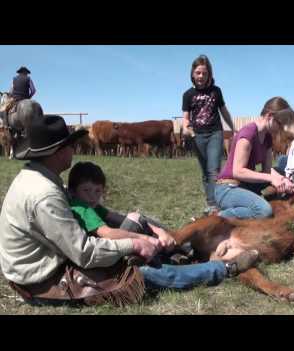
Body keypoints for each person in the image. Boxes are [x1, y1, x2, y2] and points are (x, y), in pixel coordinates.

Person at [0, 101, 257, 306]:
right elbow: (84, 253)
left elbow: (99, 220)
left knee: (130, 254)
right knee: (138, 274)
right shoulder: (44, 194)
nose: (74, 148)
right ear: (57, 152)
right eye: (69, 144)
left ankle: (179, 253)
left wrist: (141, 234)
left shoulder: (42, 178)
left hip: (45, 262)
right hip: (41, 279)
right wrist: (134, 243)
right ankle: (223, 269)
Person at [214, 96, 294, 219]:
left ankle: (237, 211)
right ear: (269, 116)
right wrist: (271, 178)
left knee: (280, 174)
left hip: (244, 185)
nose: (281, 129)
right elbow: (238, 171)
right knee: (263, 210)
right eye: (280, 124)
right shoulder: (248, 133)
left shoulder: (268, 137)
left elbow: (267, 171)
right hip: (228, 188)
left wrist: (283, 179)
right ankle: (215, 219)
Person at [182, 55, 236, 216]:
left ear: (209, 75)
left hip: (215, 133)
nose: (201, 76)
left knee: (214, 170)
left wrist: (232, 127)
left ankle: (215, 205)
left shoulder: (216, 91)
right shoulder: (188, 95)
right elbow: (185, 118)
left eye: (204, 73)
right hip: (197, 135)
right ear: (192, 74)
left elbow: (223, 111)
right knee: (205, 172)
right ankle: (210, 203)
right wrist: (186, 129)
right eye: (198, 73)